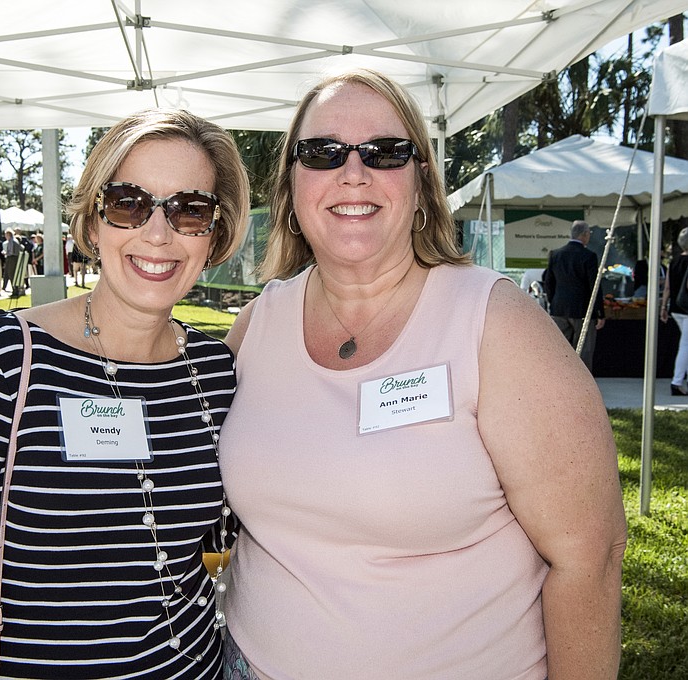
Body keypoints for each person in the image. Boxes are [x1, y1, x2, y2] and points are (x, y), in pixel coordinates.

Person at [218, 69, 626, 680]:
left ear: (421, 185)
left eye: (385, 152)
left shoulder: (496, 323)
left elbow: (589, 559)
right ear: (291, 187)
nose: (352, 173)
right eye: (322, 153)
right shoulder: (258, 324)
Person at [0, 108, 250, 679]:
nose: (158, 233)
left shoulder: (213, 371)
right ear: (91, 224)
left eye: (190, 209)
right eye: (129, 203)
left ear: (215, 234)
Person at [542, 220, 606, 372]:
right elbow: (594, 287)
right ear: (584, 235)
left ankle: (560, 381)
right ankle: (582, 387)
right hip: (582, 311)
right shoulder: (588, 256)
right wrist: (600, 313)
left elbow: (548, 283)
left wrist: (553, 302)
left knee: (560, 350)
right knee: (583, 351)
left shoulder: (555, 254)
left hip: (559, 309)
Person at [660, 227, 688, 396]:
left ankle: (679, 381)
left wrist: (663, 306)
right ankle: (677, 382)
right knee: (685, 345)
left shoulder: (674, 261)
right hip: (686, 309)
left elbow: (668, 287)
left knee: (686, 344)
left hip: (676, 308)